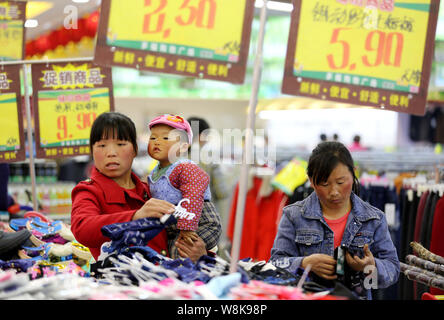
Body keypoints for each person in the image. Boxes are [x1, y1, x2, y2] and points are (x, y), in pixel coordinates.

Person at [70, 112, 211, 263]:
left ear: (135, 150)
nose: (111, 153)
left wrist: (200, 254)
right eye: (102, 145)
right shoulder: (89, 190)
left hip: (169, 280)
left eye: (120, 144)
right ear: (92, 151)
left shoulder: (152, 189)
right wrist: (135, 217)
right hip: (123, 282)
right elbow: (83, 229)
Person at [269, 141, 399, 299]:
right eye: (324, 184)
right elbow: (275, 265)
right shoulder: (294, 215)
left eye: (340, 182)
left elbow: (393, 269)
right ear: (311, 181)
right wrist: (304, 263)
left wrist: (370, 267)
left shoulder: (374, 218)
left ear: (353, 174)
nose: (334, 192)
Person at [147, 114, 220, 259]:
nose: (157, 142)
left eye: (166, 138)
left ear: (183, 146)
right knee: (167, 256)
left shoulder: (185, 167)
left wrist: (187, 226)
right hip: (175, 226)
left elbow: (193, 195)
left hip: (200, 222)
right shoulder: (156, 170)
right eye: (153, 138)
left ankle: (194, 280)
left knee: (180, 254)